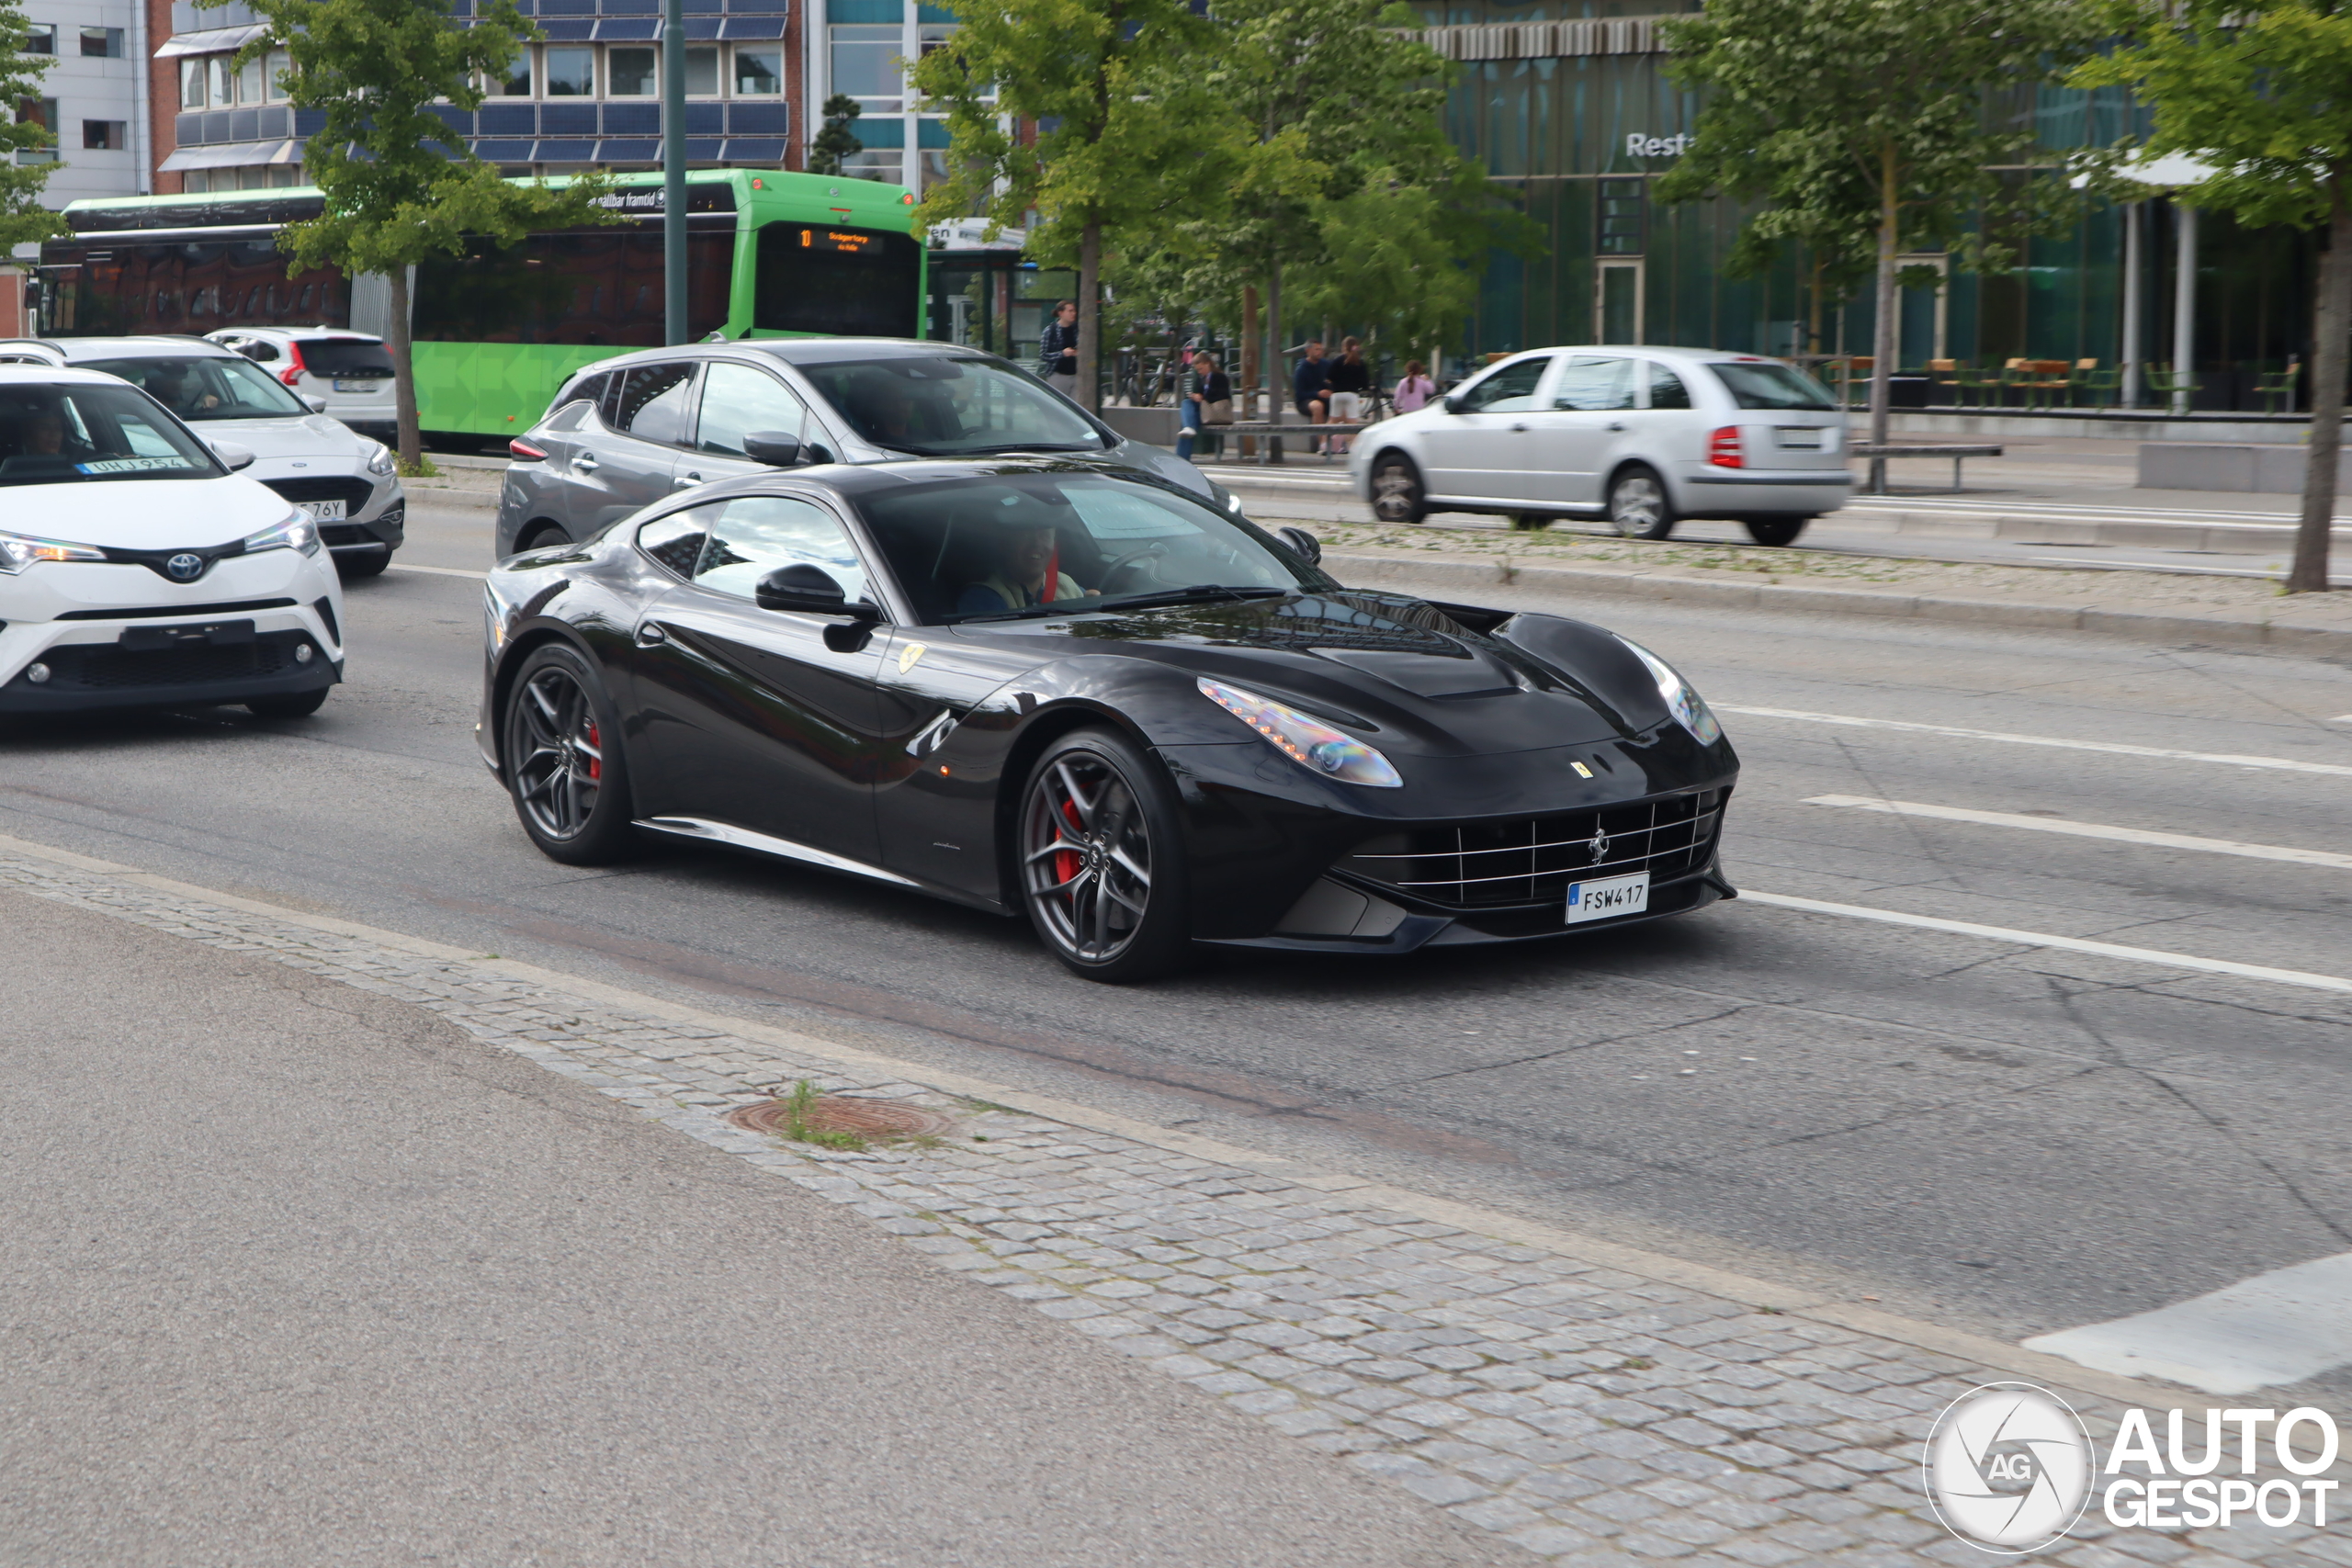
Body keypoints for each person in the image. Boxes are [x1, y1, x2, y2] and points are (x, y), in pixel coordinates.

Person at [956, 522, 1083, 616]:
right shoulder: (983, 596)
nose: (1037, 544)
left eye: (1045, 536)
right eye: (1025, 536)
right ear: (1005, 545)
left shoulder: (1065, 582)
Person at [1177, 355, 1232, 462]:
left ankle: (1182, 458)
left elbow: (1223, 395)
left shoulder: (1219, 377)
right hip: (1204, 411)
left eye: (1201, 369)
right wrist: (1196, 396)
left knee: (1187, 420)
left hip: (1216, 412)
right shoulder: (1202, 379)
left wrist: (1203, 397)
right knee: (1187, 407)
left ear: (1208, 364)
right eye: (1197, 370)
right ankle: (1188, 430)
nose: (1199, 372)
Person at [1323, 338, 1371, 455]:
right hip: (1351, 395)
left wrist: (1334, 384)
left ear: (1344, 347)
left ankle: (1324, 445)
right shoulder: (1359, 362)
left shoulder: (1337, 360)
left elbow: (1328, 377)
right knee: (1352, 423)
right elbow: (1364, 383)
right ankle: (1353, 447)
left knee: (1332, 420)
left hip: (1337, 394)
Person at [1293, 341, 1331, 454]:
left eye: (1321, 349)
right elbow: (1299, 394)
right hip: (1305, 401)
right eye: (1317, 349)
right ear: (1308, 351)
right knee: (1318, 406)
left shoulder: (1326, 365)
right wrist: (1317, 394)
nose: (1320, 352)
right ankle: (1322, 445)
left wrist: (1331, 390)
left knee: (1341, 402)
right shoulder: (1301, 369)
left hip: (1325, 398)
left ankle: (1347, 443)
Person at [1039, 301, 1080, 397]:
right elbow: (1043, 355)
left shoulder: (1077, 330)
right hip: (1058, 375)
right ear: (1060, 313)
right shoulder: (1050, 331)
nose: (1073, 313)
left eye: (1074, 311)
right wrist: (1062, 354)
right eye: (1070, 311)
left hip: (1076, 374)